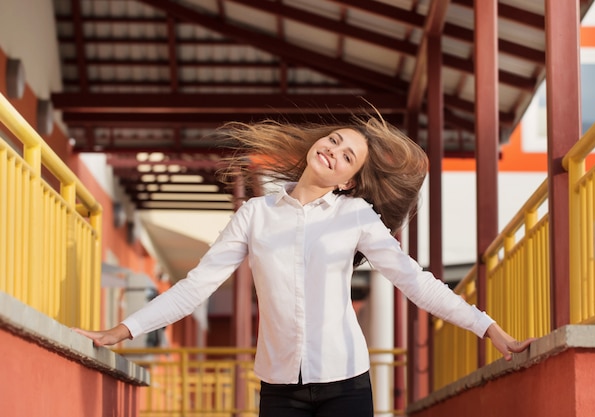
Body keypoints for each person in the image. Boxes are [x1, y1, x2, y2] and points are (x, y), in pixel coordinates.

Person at [75, 110, 534, 417]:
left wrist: (487, 326)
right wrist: (121, 331)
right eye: (333, 141)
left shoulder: (355, 216)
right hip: (278, 390)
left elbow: (415, 281)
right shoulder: (255, 215)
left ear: (350, 180)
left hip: (346, 384)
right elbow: (197, 287)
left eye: (346, 155)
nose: (333, 150)